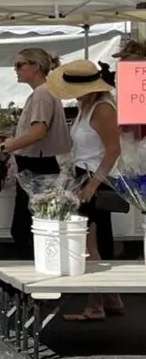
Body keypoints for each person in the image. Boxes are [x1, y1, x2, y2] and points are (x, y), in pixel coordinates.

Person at [49, 61, 124, 321]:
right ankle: (110, 297)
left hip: (97, 179)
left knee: (91, 240)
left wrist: (92, 184)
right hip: (86, 175)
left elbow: (113, 150)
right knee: (95, 237)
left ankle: (95, 304)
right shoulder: (87, 107)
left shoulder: (102, 108)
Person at [0, 48, 70, 258]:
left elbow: (39, 130)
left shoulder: (42, 94)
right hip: (40, 165)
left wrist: (8, 146)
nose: (16, 70)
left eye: (20, 65)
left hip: (38, 167)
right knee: (35, 226)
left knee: (26, 229)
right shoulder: (45, 92)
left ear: (35, 67)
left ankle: (32, 276)